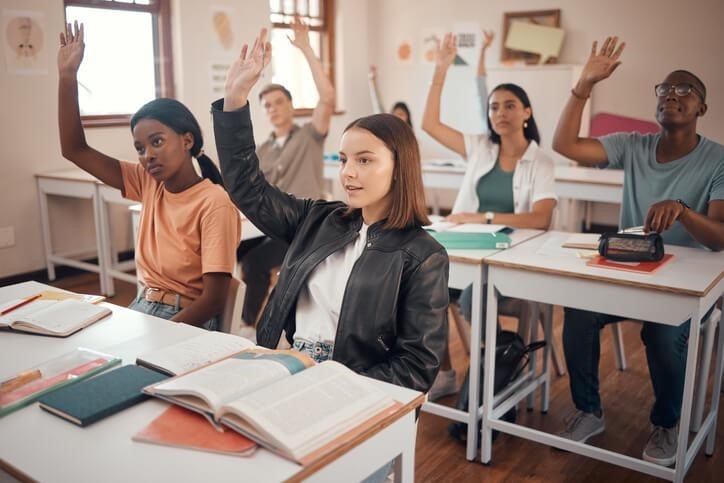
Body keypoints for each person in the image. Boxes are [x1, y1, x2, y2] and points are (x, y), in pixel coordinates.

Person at [215, 27, 448, 391]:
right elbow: (248, 187)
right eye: (343, 160)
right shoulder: (318, 219)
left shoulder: (422, 255)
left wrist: (332, 385)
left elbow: (416, 368)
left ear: (400, 167)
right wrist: (234, 99)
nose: (348, 173)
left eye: (365, 160)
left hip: (347, 386)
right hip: (286, 365)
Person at [552, 36, 724, 466]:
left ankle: (667, 423)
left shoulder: (718, 160)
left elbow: (719, 236)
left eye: (685, 90)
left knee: (666, 335)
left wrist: (682, 211)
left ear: (702, 108)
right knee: (578, 311)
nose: (672, 95)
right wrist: (583, 85)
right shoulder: (634, 144)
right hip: (632, 267)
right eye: (664, 90)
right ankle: (588, 411)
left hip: (687, 284)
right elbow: (565, 146)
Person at [57, 21, 240, 329]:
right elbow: (74, 149)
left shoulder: (213, 202)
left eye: (157, 141)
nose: (147, 156)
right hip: (142, 307)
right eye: (140, 148)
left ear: (187, 140)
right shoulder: (149, 183)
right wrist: (66, 77)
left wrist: (161, 336)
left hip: (184, 321)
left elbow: (214, 300)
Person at [421, 32, 557, 400]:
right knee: (425, 289)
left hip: (515, 260)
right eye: (494, 107)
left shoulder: (540, 160)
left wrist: (483, 216)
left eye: (509, 105)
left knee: (470, 296)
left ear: (527, 112)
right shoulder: (480, 147)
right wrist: (441, 70)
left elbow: (542, 218)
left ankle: (495, 371)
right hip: (470, 251)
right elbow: (429, 124)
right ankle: (447, 373)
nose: (500, 113)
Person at [236, 15, 336, 331]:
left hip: (307, 226)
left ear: (291, 106)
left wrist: (306, 48)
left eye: (279, 103)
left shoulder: (309, 136)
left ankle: (248, 328)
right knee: (235, 251)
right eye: (267, 106)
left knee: (254, 263)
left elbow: (328, 98)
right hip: (273, 224)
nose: (273, 109)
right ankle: (251, 314)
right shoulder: (263, 150)